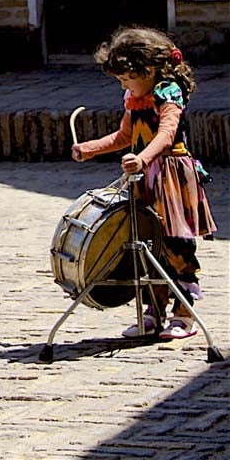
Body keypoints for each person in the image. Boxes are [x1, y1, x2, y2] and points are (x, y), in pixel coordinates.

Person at [72, 26, 217, 340]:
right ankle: (152, 311)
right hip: (144, 177)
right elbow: (125, 135)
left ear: (149, 70)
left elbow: (166, 135)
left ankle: (183, 313)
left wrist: (143, 158)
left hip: (170, 174)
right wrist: (90, 148)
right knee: (144, 244)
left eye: (127, 79)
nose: (124, 85)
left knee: (175, 245)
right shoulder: (134, 96)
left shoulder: (168, 92)